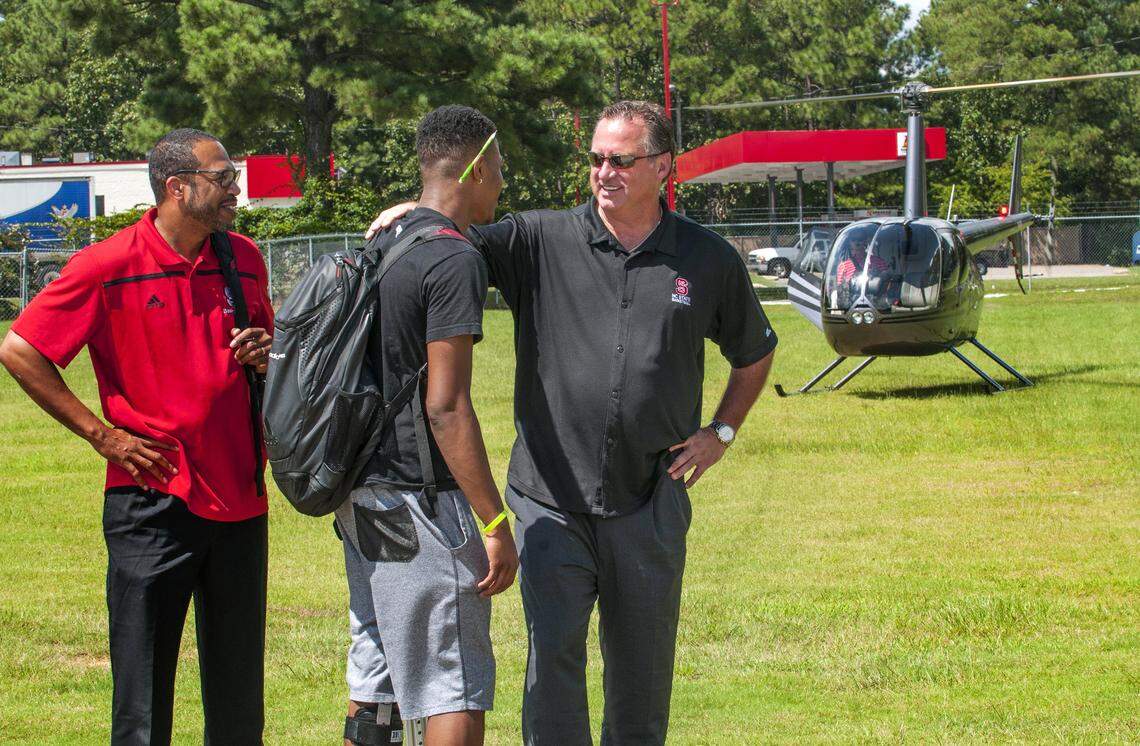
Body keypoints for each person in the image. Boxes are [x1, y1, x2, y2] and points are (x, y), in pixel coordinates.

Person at [369, 100, 777, 745]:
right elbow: (447, 235)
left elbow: (755, 354)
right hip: (547, 503)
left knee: (642, 673)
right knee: (553, 666)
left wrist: (720, 431)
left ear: (663, 167)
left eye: (621, 159)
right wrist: (412, 214)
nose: (604, 172)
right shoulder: (536, 238)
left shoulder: (707, 258)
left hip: (650, 500)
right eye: (595, 159)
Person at [0, 128, 272, 744]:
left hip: (240, 498)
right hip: (150, 501)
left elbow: (270, 357)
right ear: (178, 187)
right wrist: (103, 436)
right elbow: (19, 349)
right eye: (223, 177)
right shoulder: (108, 264)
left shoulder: (245, 260)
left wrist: (266, 353)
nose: (236, 188)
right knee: (143, 696)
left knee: (238, 698)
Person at [336, 105, 518, 746]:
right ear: (473, 166)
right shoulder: (450, 260)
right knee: (454, 682)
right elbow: (446, 407)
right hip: (422, 497)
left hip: (361, 493)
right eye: (498, 167)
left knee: (378, 665)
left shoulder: (385, 240)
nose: (502, 181)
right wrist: (494, 522)